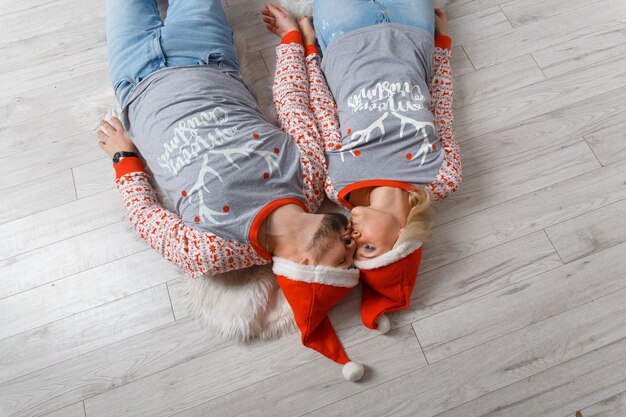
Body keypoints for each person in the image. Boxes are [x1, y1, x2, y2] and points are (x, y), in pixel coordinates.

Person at [99, 0, 363, 380]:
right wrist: (291, 40)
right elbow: (292, 103)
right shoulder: (309, 179)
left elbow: (146, 218)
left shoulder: (214, 253)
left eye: (344, 260)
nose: (352, 242)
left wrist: (123, 157)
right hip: (207, 55)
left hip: (135, 82)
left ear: (306, 266)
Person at [312, 1, 462, 333]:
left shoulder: (340, 186)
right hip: (413, 29)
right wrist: (441, 44)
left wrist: (310, 49)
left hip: (345, 34)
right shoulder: (441, 177)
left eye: (352, 247)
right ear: (401, 240)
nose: (352, 236)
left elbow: (322, 107)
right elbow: (441, 104)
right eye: (368, 247)